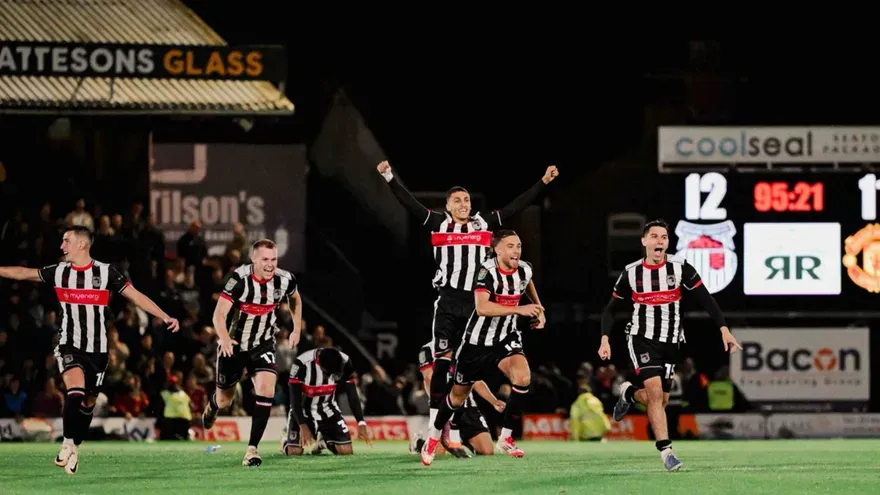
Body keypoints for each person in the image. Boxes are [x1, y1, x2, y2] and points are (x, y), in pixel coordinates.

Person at [378, 159, 558, 457]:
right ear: (448, 206)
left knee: (469, 366)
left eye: (467, 200)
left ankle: (460, 428)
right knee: (443, 362)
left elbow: (515, 207)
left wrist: (543, 183)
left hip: (478, 303)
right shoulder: (438, 223)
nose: (464, 204)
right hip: (449, 302)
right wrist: (389, 177)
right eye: (457, 200)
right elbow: (408, 203)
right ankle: (440, 425)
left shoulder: (482, 224)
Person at [0, 225, 179, 474]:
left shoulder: (105, 272)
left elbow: (136, 296)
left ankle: (75, 446)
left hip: (99, 349)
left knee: (89, 401)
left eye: (66, 241)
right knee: (75, 391)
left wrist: (165, 315)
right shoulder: (60, 271)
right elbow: (23, 273)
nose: (62, 246)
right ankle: (66, 445)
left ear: (82, 244)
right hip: (68, 343)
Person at [597, 218, 741, 472]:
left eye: (663, 237)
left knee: (660, 401)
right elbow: (611, 308)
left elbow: (706, 298)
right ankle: (667, 452)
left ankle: (630, 393)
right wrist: (605, 337)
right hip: (642, 339)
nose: (659, 241)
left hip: (672, 342)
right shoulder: (631, 272)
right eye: (654, 237)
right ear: (644, 242)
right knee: (654, 394)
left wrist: (724, 329)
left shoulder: (680, 267)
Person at [421, 230, 545, 466]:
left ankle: (506, 437)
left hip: (505, 338)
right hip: (476, 343)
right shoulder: (485, 271)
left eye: (518, 245)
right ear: (496, 249)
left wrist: (539, 309)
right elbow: (482, 308)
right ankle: (433, 437)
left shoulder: (524, 268)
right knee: (457, 397)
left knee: (523, 377)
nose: (516, 250)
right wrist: (519, 310)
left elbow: (527, 281)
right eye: (510, 246)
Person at [202, 239, 302, 467]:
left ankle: (252, 449)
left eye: (274, 259)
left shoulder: (284, 280)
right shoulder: (239, 280)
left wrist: (297, 327)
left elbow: (295, 298)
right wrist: (225, 338)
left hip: (263, 344)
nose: (270, 265)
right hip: (234, 346)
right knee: (225, 400)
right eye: (265, 259)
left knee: (266, 389)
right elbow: (218, 315)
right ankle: (214, 405)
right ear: (254, 259)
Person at [409, 340, 505, 457]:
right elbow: (428, 378)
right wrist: (438, 403)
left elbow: (475, 381)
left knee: (487, 451)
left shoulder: (465, 346)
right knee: (439, 453)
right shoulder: (428, 349)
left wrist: (494, 401)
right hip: (445, 404)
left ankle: (462, 440)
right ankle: (418, 443)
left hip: (466, 405)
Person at [281, 347, 372, 456]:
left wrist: (361, 422)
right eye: (327, 373)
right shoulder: (301, 364)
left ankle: (324, 442)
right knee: (294, 452)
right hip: (303, 411)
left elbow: (352, 394)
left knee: (346, 452)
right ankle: (285, 440)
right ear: (318, 362)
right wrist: (302, 425)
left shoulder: (345, 362)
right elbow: (294, 400)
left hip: (328, 409)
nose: (329, 377)